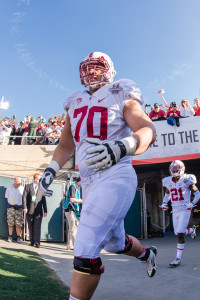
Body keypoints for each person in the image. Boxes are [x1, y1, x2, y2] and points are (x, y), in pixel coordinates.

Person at [40, 51, 157, 300]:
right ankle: (147, 255)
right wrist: (50, 170)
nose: (92, 72)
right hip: (89, 182)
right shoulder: (75, 102)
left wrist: (122, 146)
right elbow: (64, 145)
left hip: (115, 174)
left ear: (109, 70)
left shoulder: (120, 91)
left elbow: (147, 129)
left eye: (97, 67)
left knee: (85, 245)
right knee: (114, 243)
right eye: (88, 68)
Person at [160, 160, 200, 267]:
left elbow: (197, 194)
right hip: (175, 210)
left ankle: (178, 258)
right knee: (177, 233)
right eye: (173, 169)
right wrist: (164, 203)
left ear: (181, 169)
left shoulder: (187, 179)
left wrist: (192, 203)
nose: (174, 171)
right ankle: (192, 230)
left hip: (184, 210)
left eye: (176, 169)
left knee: (180, 234)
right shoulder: (168, 181)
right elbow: (167, 194)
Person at [23, 173, 47, 248]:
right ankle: (32, 241)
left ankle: (37, 242)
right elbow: (24, 197)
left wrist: (45, 210)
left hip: (38, 210)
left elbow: (44, 200)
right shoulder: (28, 186)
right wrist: (25, 207)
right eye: (39, 179)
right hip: (30, 209)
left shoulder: (41, 188)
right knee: (30, 226)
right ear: (35, 179)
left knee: (37, 226)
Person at [63, 177, 82, 250]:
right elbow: (72, 199)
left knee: (71, 227)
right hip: (70, 210)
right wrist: (82, 201)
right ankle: (76, 247)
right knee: (74, 228)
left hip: (71, 210)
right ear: (80, 181)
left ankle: (70, 245)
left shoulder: (76, 187)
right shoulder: (73, 187)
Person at [5, 177, 24, 243]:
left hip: (19, 208)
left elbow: (24, 198)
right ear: (15, 181)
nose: (19, 183)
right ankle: (10, 236)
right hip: (11, 207)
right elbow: (6, 197)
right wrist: (12, 203)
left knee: (18, 223)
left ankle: (18, 237)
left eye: (20, 182)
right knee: (10, 222)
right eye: (18, 182)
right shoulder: (9, 188)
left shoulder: (22, 188)